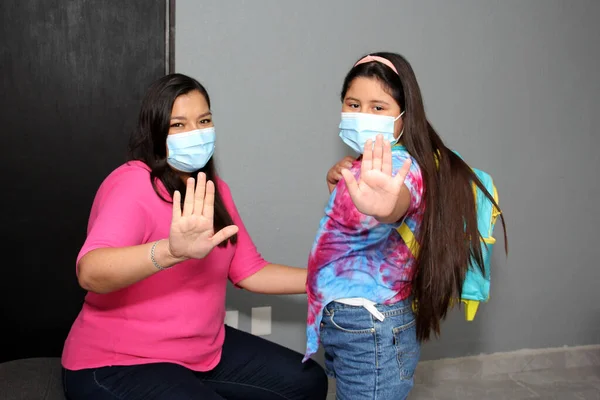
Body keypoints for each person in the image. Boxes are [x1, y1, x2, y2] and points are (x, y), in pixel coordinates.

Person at [61, 73, 328, 400]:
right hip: (117, 364)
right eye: (178, 125)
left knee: (310, 382)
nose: (195, 133)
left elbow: (250, 271)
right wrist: (171, 252)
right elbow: (90, 272)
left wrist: (325, 279)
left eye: (203, 121)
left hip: (201, 353)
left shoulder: (214, 192)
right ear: (156, 131)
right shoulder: (132, 184)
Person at [304, 52, 506, 399]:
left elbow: (398, 201)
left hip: (371, 327)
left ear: (404, 116)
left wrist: (386, 209)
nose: (362, 115)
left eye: (378, 107)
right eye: (353, 103)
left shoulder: (402, 168)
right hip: (350, 322)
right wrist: (339, 187)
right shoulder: (364, 165)